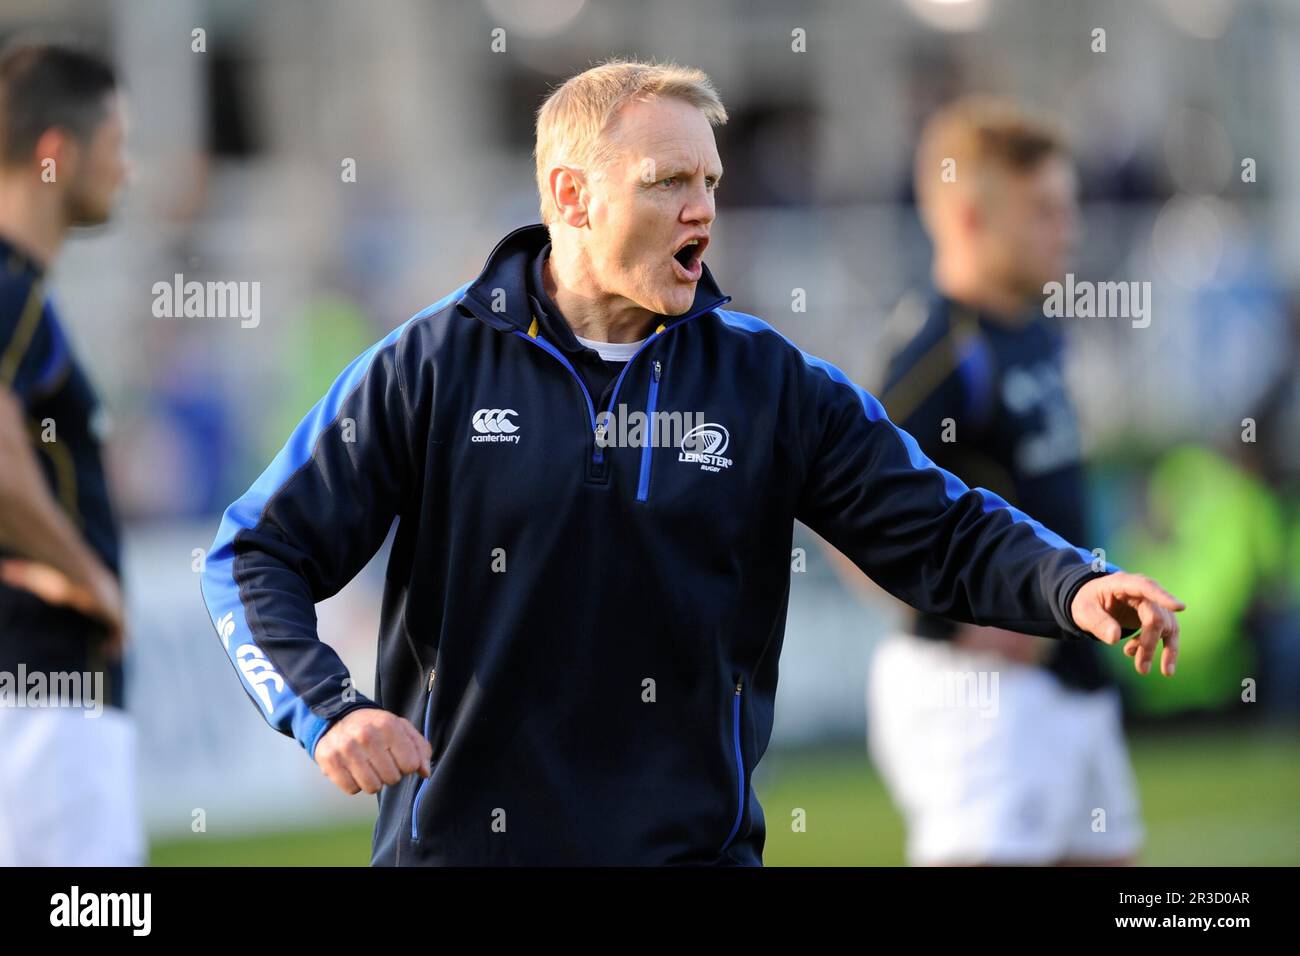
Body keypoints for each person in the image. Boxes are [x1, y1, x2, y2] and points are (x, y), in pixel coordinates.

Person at [200, 60, 1182, 866]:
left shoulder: (767, 379)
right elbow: (253, 553)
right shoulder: (430, 364)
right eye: (667, 181)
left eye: (710, 181)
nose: (701, 210)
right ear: (570, 196)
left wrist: (1073, 582)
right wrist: (323, 704)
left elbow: (939, 525)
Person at [849, 96, 1147, 865]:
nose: (1067, 229)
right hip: (976, 689)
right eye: (1043, 211)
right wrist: (963, 624)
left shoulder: (1035, 329)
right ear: (970, 219)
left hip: (1068, 670)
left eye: (1067, 207)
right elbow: (842, 514)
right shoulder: (937, 353)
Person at [0, 40, 141, 865]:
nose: (128, 170)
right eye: (118, 146)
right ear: (58, 152)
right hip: (45, 692)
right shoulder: (8, 285)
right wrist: (92, 580)